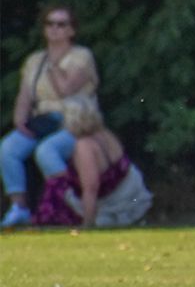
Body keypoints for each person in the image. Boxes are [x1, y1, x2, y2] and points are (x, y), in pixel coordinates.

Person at [1, 3, 99, 227]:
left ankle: (67, 203)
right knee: (8, 148)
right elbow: (25, 95)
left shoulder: (81, 56)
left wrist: (54, 66)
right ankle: (19, 208)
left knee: (47, 151)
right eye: (50, 24)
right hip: (44, 120)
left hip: (74, 121)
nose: (54, 29)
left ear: (71, 30)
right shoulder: (35, 60)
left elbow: (66, 89)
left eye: (61, 24)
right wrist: (20, 120)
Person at [33, 95, 152, 227]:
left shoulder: (84, 146)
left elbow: (91, 188)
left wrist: (88, 223)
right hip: (130, 190)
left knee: (55, 188)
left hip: (112, 203)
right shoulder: (106, 134)